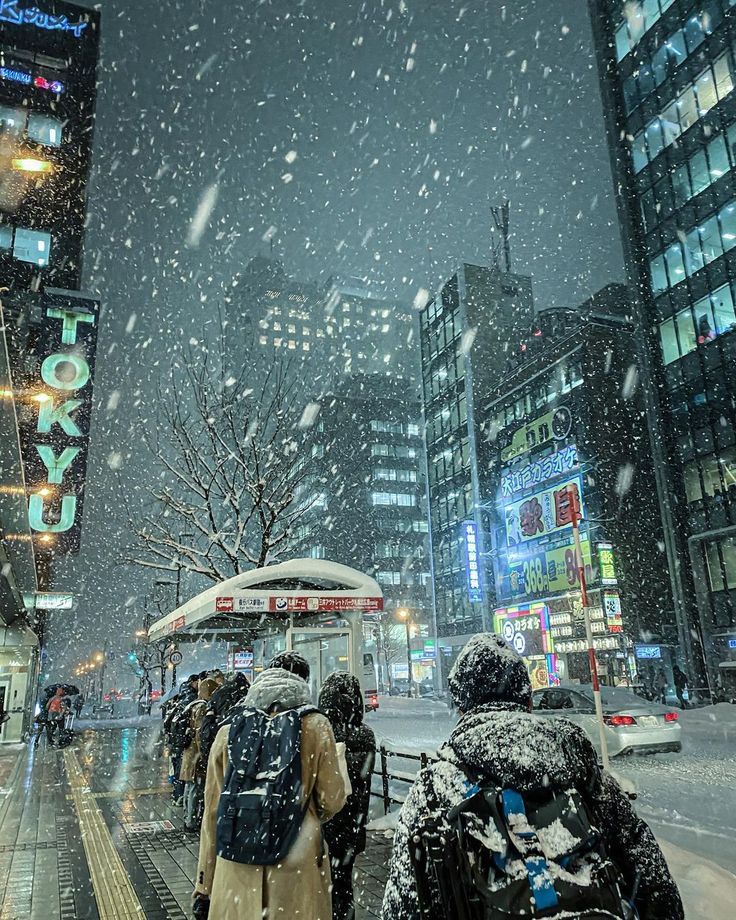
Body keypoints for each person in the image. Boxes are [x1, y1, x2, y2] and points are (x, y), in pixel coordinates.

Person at [382, 633, 684, 920]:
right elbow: (653, 879)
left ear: (461, 707)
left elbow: (403, 902)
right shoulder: (579, 769)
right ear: (527, 698)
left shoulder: (436, 785)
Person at [193, 651, 347, 920]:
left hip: (235, 873)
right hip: (295, 867)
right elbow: (332, 799)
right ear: (302, 683)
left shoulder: (228, 730)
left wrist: (204, 885)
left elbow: (213, 813)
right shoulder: (316, 726)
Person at [318, 671, 376, 920]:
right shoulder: (365, 734)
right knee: (344, 883)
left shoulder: (322, 732)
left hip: (327, 820)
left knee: (322, 883)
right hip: (353, 821)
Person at [179, 676, 218, 831]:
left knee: (189, 786)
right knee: (194, 787)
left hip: (189, 752)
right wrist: (203, 753)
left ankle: (187, 817)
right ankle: (191, 821)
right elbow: (200, 734)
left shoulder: (192, 705)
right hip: (195, 753)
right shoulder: (202, 707)